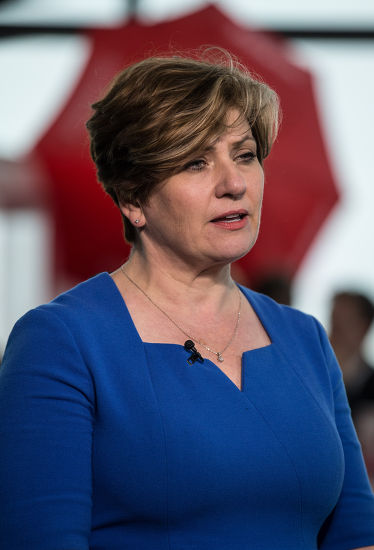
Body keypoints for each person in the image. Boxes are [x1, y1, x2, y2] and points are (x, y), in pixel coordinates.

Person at [0, 50, 373, 550]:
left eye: (244, 155)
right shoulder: (61, 341)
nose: (234, 183)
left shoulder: (304, 338)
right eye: (196, 162)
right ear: (133, 198)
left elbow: (356, 535)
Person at [329, 290, 374, 417]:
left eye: (344, 323)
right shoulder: (314, 375)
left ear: (363, 328)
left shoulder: (370, 386)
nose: (334, 335)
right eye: (334, 323)